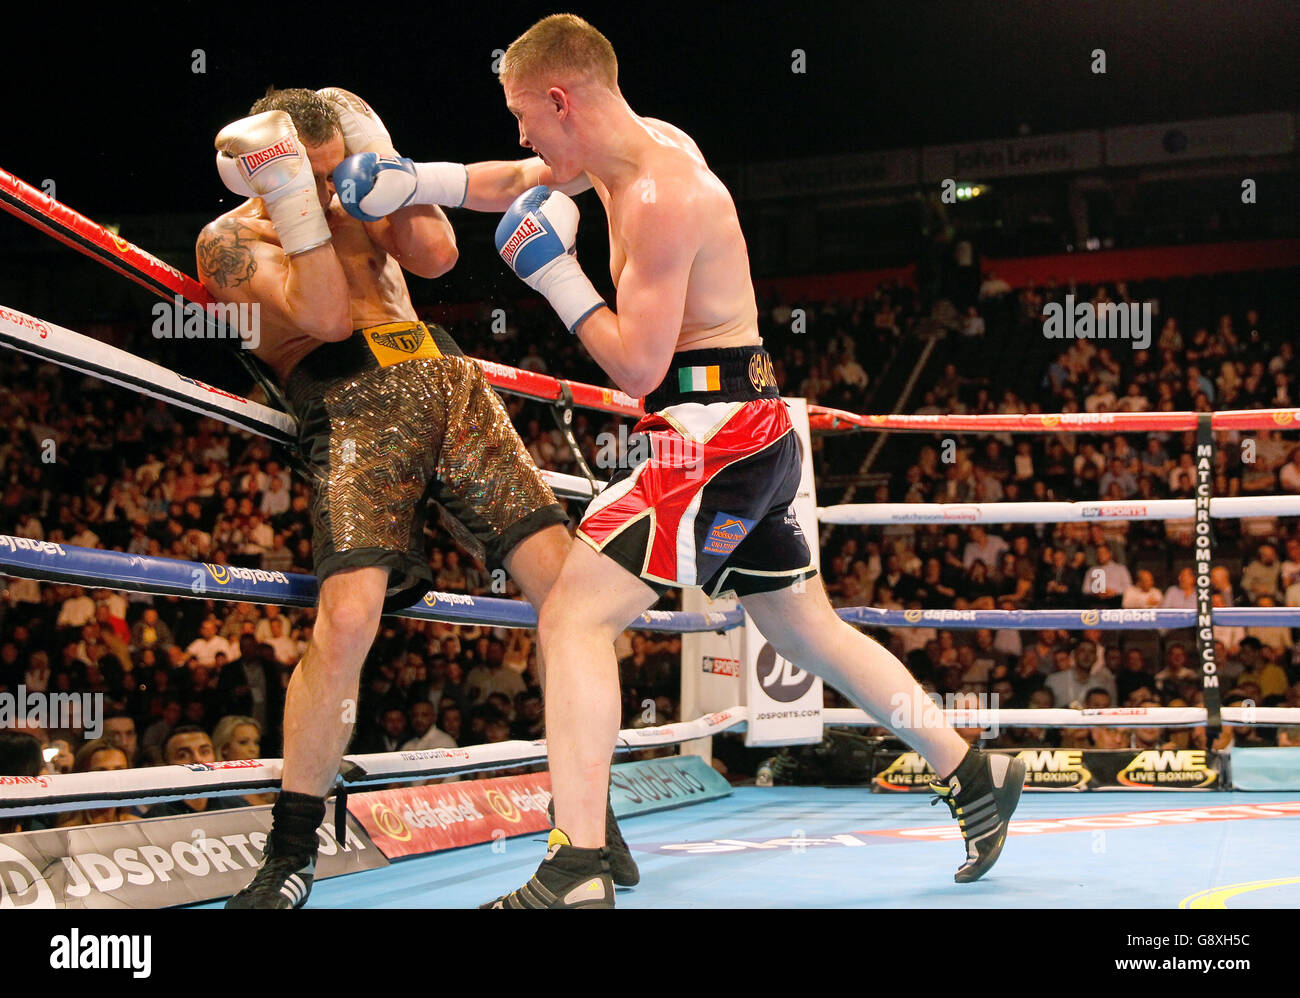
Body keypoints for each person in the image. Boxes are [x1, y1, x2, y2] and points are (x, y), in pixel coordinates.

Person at [339, 14, 1023, 907]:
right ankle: (971, 771)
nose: (520, 134)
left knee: (575, 618)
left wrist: (555, 276)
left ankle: (577, 863)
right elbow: (518, 176)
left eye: (522, 112)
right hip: (754, 424)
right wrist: (410, 180)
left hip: (716, 432)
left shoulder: (666, 195)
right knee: (800, 627)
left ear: (560, 99)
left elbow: (636, 366)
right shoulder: (626, 148)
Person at [199, 85, 635, 907]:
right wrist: (297, 199)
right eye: (309, 176)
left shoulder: (356, 196)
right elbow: (325, 315)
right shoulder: (227, 240)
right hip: (350, 398)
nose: (329, 192)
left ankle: (586, 818)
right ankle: (291, 853)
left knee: (574, 597)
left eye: (335, 172)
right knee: (351, 618)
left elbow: (435, 255)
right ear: (266, 168)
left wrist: (380, 159)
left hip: (447, 381)